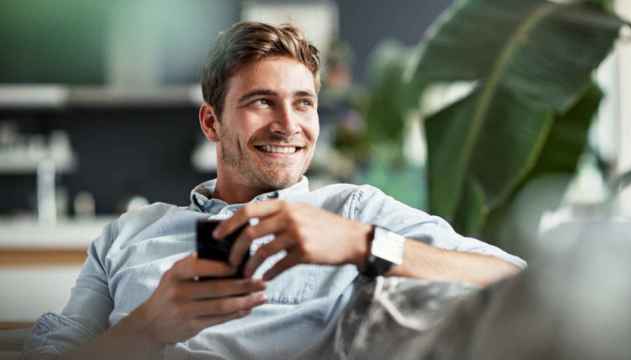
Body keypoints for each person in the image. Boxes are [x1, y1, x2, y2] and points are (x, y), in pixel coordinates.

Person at [23, 21, 525, 360]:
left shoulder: (351, 211)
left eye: (303, 103)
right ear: (211, 122)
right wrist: (147, 328)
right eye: (263, 102)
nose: (289, 125)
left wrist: (363, 244)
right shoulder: (127, 235)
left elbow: (512, 277)